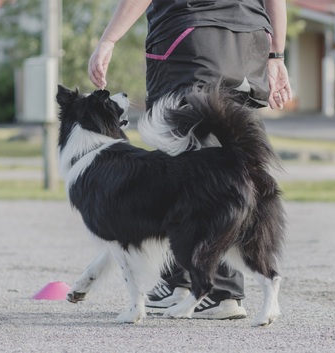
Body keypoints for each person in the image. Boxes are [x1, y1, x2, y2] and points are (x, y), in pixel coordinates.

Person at [88, 0, 292, 320]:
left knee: (180, 153)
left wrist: (108, 40)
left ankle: (187, 285)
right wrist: (277, 54)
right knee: (236, 155)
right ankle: (222, 291)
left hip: (190, 34)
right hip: (252, 37)